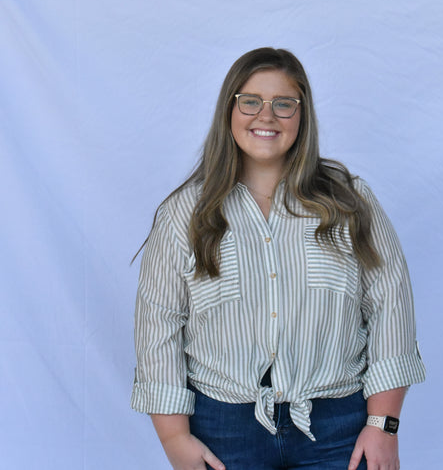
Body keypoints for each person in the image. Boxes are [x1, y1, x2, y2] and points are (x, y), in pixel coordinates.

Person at [131, 47, 425, 470]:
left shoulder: (350, 201)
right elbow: (158, 326)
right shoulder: (184, 214)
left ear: (302, 115)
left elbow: (390, 307)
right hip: (222, 427)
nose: (265, 116)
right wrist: (174, 437)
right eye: (250, 101)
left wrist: (383, 425)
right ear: (229, 109)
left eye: (283, 104)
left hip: (338, 427)